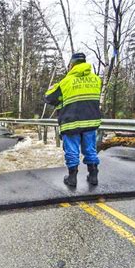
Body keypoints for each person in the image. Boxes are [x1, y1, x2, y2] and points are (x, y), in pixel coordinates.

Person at [44, 53, 101, 187]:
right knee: (90, 149)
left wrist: (51, 89)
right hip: (91, 122)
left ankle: (72, 178)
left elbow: (49, 98)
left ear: (72, 65)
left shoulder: (65, 82)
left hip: (71, 122)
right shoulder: (97, 80)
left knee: (72, 151)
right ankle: (93, 176)